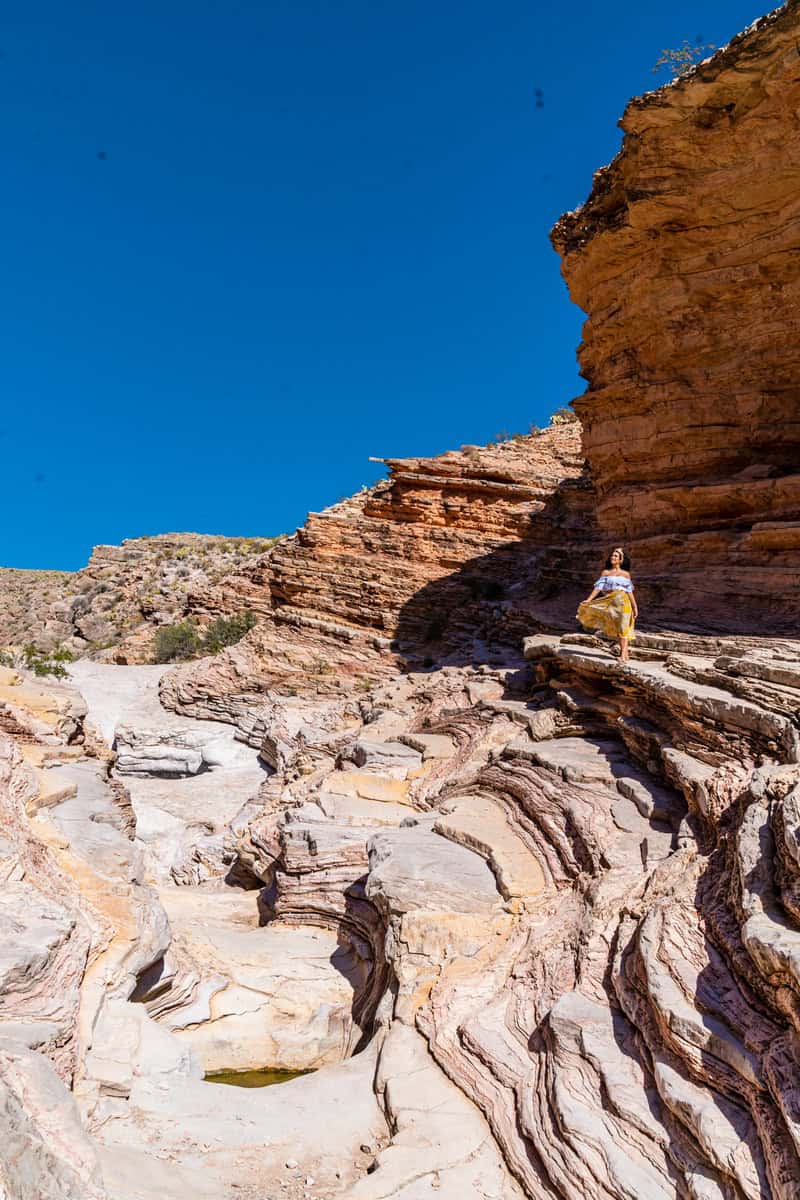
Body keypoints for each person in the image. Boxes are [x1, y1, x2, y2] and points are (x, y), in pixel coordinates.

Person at [576, 547, 638, 662]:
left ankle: (623, 654)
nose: (612, 557)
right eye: (612, 556)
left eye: (615, 556)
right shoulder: (606, 572)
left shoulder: (625, 574)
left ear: (621, 560)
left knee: (623, 628)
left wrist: (635, 607)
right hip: (611, 603)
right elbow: (598, 588)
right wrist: (589, 600)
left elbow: (629, 592)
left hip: (624, 603)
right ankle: (624, 654)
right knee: (618, 629)